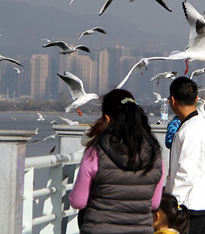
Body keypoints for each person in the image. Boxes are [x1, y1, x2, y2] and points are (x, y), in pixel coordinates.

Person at [69, 88, 165, 233]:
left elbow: (78, 201)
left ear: (107, 119)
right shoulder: (154, 154)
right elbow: (154, 203)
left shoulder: (96, 151)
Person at [166, 77, 205, 234]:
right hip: (199, 204)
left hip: (187, 208)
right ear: (196, 98)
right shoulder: (204, 126)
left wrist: (173, 204)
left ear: (172, 100)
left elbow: (186, 171)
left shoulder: (190, 129)